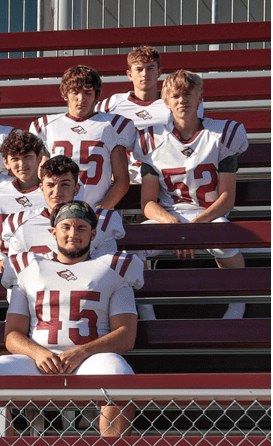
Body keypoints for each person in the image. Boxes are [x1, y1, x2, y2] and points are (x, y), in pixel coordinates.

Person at [0, 201, 144, 446]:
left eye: (81, 228)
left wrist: (81, 351)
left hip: (90, 359)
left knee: (119, 373)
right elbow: (12, 335)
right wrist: (38, 354)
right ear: (53, 232)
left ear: (93, 234)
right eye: (66, 227)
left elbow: (126, 334)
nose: (73, 233)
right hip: (38, 360)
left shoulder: (115, 268)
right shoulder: (28, 267)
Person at [138, 69, 248, 319]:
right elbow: (147, 203)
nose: (182, 100)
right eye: (175, 96)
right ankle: (146, 311)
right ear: (166, 101)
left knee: (224, 238)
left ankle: (239, 300)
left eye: (188, 94)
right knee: (134, 246)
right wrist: (173, 224)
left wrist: (197, 225)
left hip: (208, 214)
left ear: (200, 98)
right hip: (170, 217)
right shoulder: (151, 140)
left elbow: (227, 198)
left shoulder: (222, 135)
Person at [28, 65, 136, 209]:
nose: (81, 99)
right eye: (75, 93)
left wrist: (99, 211)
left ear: (97, 95)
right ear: (65, 94)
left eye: (87, 93)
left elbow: (121, 180)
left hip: (96, 210)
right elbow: (41, 176)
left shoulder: (114, 125)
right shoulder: (46, 126)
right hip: (58, 213)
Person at [98, 45, 203, 183]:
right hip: (125, 179)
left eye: (150, 68)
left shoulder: (176, 102)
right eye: (139, 69)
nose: (144, 74)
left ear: (159, 71)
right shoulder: (111, 104)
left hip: (168, 178)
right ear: (129, 74)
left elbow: (194, 138)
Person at [0, 156, 124, 262]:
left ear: (76, 189)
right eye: (50, 185)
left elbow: (107, 271)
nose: (57, 192)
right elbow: (17, 276)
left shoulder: (102, 220)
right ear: (42, 189)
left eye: (64, 184)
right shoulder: (20, 222)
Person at [0, 132, 49, 241]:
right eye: (15, 159)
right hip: (5, 256)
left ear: (39, 158)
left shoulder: (52, 190)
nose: (22, 164)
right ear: (6, 162)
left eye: (27, 157)